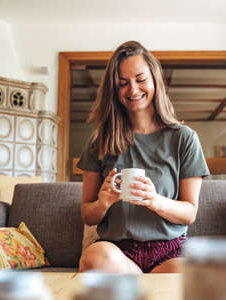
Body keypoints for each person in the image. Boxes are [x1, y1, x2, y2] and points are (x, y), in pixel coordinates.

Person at [77, 40, 210, 274]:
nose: (133, 90)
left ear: (154, 79)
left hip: (171, 251)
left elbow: (190, 212)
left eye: (140, 79)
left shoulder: (184, 138)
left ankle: (135, 286)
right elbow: (88, 215)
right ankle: (140, 284)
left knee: (191, 272)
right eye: (122, 83)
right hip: (118, 251)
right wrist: (103, 203)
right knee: (94, 258)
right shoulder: (100, 141)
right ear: (114, 89)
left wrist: (154, 200)